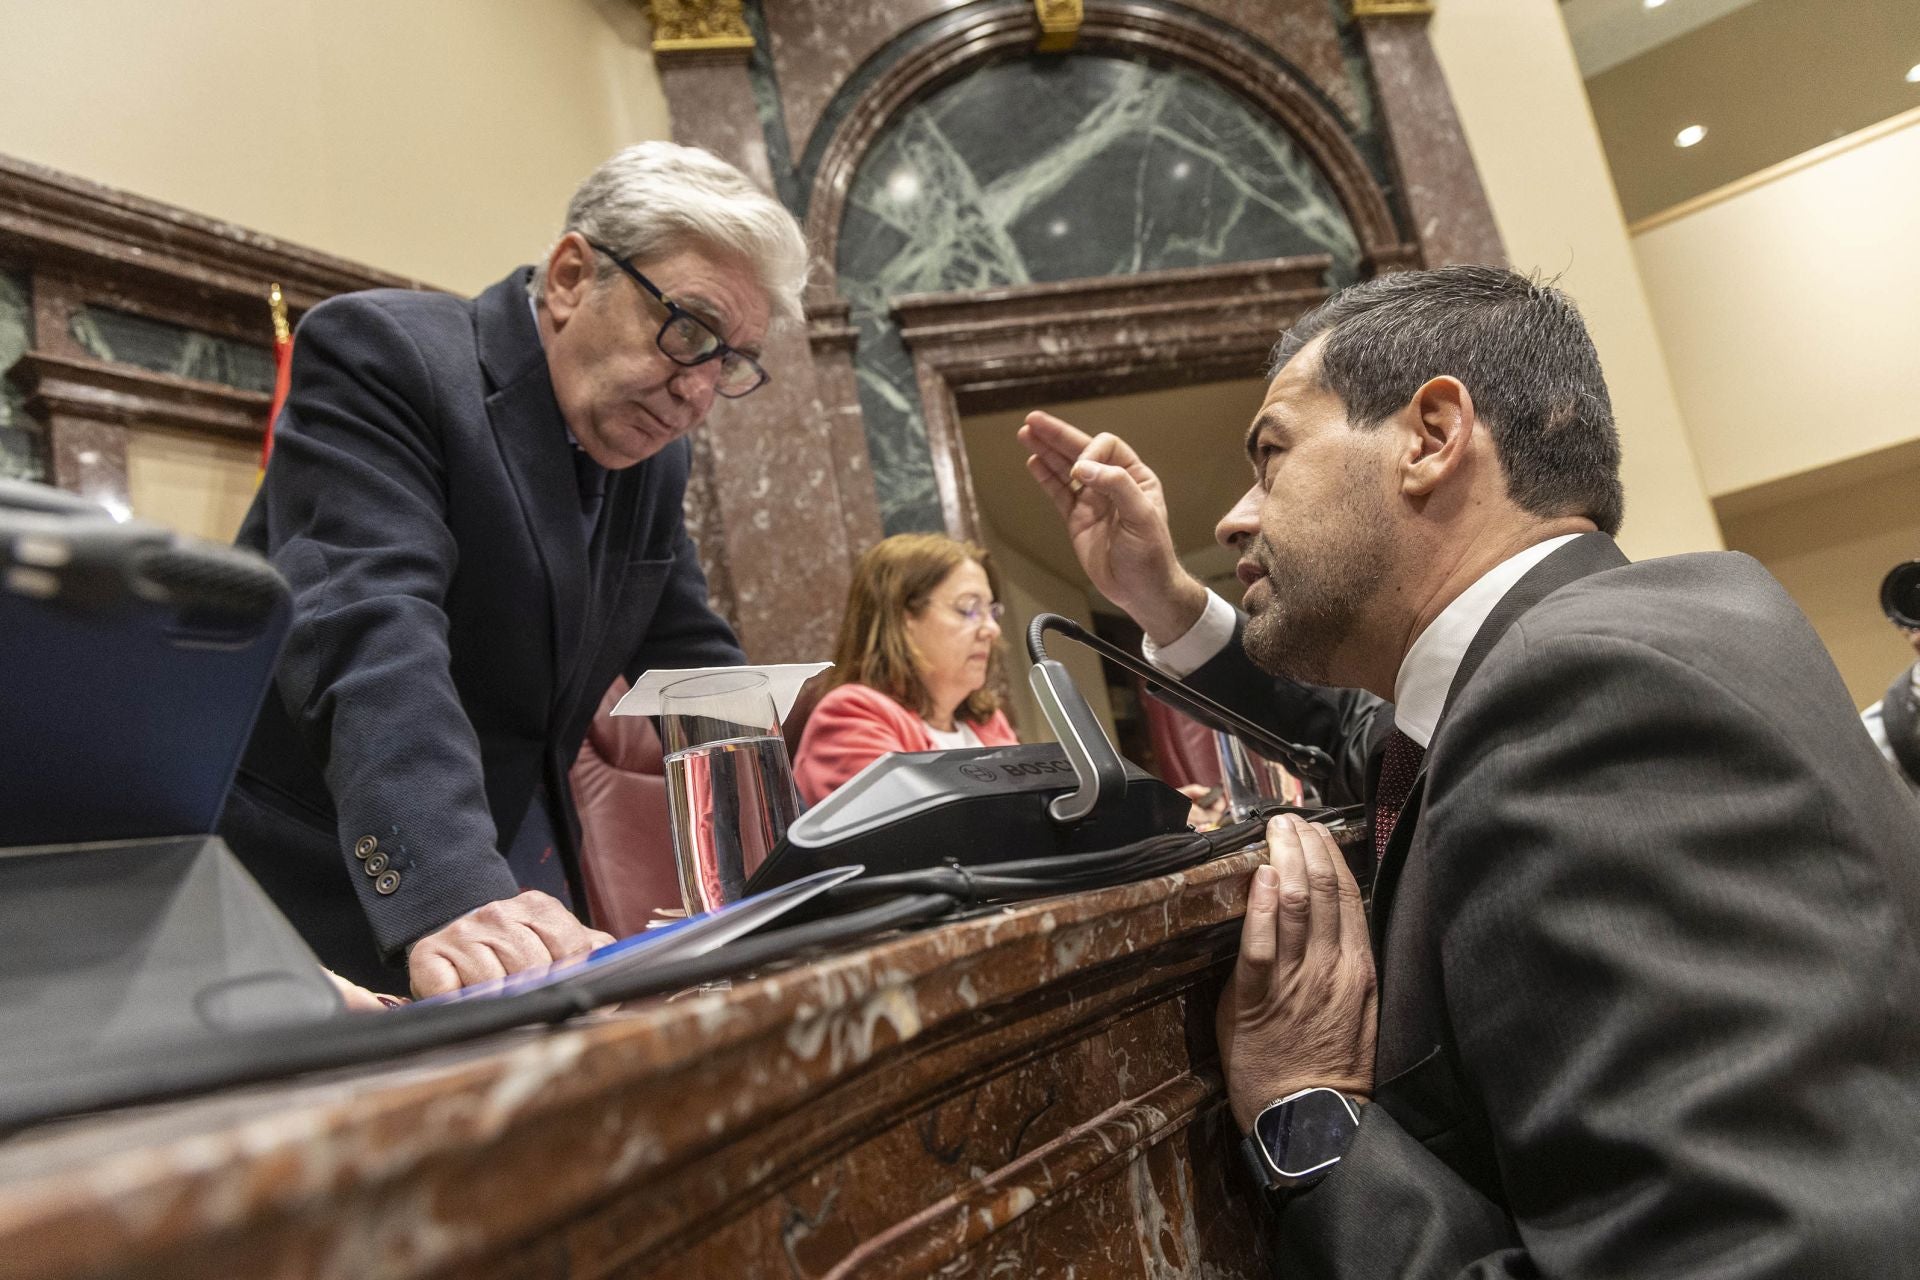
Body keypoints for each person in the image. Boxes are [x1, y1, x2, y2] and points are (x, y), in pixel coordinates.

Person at [1022, 265, 1920, 1276]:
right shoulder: (1563, 660)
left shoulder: (1591, 699)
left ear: (1434, 434)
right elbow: (1358, 734)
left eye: (1270, 455)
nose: (1234, 517)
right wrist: (1166, 599)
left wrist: (1308, 1118)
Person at [221, 142, 808, 997]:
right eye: (689, 331)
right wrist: (451, 891)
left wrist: (801, 862)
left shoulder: (650, 458)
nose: (699, 393)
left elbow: (698, 669)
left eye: (732, 362)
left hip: (511, 892)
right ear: (572, 276)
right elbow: (371, 630)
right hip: (337, 887)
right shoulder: (385, 355)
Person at [793, 533, 1018, 805]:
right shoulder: (852, 714)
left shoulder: (988, 721)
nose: (992, 630)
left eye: (991, 612)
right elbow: (921, 836)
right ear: (902, 617)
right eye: (969, 609)